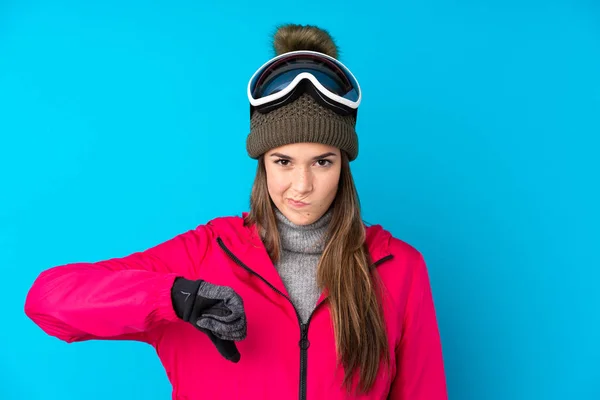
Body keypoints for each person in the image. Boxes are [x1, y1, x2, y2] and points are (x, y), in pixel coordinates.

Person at [24, 24, 448, 400]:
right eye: (283, 161)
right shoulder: (204, 255)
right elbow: (47, 299)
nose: (302, 186)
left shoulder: (399, 268)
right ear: (262, 163)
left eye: (323, 161)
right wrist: (171, 297)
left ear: (344, 165)